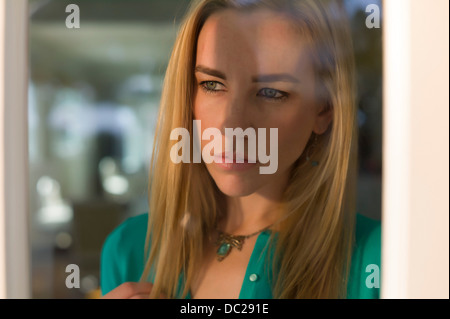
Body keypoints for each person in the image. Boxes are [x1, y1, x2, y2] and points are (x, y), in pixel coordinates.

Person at [100, 0, 381, 299]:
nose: (231, 126)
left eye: (271, 93)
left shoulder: (376, 260)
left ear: (324, 110)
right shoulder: (129, 250)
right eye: (211, 84)